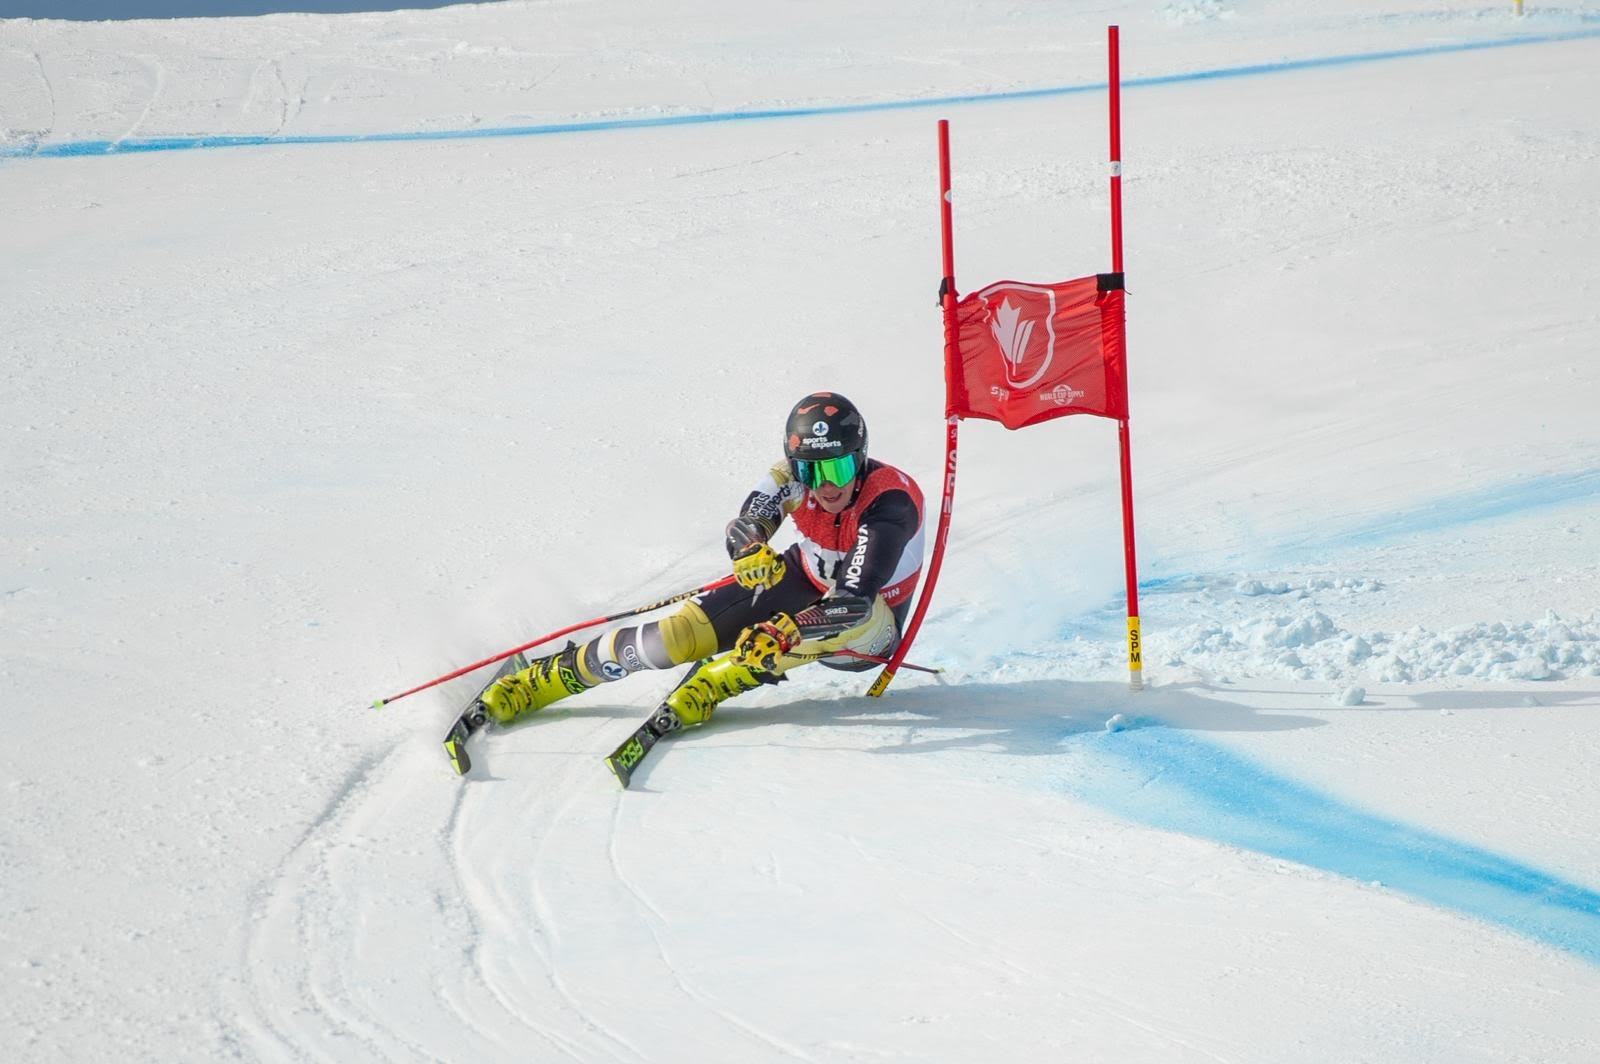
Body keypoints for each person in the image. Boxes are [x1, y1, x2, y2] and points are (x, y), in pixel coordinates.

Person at [478, 391, 926, 736]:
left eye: (838, 470)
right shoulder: (789, 477)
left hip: (868, 632)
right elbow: (747, 523)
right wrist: (749, 552)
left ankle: (719, 680)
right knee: (675, 636)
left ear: (860, 458)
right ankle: (549, 679)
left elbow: (853, 601)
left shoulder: (890, 503)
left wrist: (788, 629)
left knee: (833, 621)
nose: (826, 487)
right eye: (812, 471)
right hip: (807, 578)